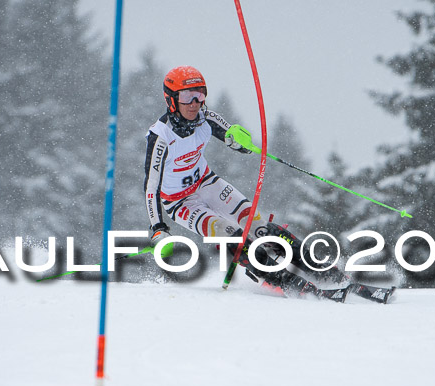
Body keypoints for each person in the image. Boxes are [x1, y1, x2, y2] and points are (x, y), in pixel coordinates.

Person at [143, 66, 345, 299]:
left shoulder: (206, 118)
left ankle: (324, 271)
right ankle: (280, 280)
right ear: (171, 99)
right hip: (180, 203)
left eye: (200, 95)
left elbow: (232, 137)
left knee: (256, 223)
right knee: (228, 232)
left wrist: (239, 142)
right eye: (187, 97)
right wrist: (158, 229)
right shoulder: (160, 136)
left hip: (207, 184)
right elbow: (151, 187)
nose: (195, 103)